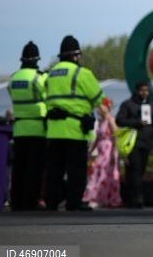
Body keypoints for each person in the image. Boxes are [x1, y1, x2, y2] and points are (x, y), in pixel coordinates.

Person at [44, 35, 105, 211]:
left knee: (54, 169)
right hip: (75, 130)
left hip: (54, 130)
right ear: (75, 56)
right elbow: (98, 99)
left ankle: (52, 202)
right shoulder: (82, 73)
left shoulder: (50, 74)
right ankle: (73, 202)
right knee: (76, 169)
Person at [7, 41, 47, 211]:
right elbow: (48, 97)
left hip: (19, 129)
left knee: (19, 167)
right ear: (37, 59)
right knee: (34, 168)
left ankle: (16, 201)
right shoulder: (39, 78)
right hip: (37, 129)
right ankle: (31, 201)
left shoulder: (13, 78)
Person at [115, 81, 153, 208]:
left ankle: (130, 197)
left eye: (146, 90)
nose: (144, 93)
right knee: (135, 169)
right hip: (133, 142)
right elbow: (119, 120)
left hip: (147, 143)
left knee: (139, 170)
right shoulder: (128, 104)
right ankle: (138, 198)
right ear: (137, 91)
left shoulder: (152, 106)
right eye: (142, 90)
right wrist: (136, 122)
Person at [83, 98, 121, 208]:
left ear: (107, 107)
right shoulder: (101, 121)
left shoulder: (110, 120)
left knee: (105, 173)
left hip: (108, 150)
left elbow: (115, 136)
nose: (98, 109)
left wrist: (114, 153)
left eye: (101, 107)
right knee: (97, 172)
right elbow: (97, 138)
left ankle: (101, 198)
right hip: (101, 150)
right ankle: (97, 197)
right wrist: (91, 151)